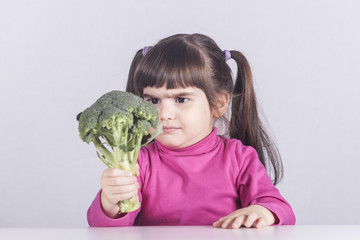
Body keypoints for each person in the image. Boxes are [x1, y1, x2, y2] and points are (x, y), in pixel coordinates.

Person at [87, 33, 296, 228]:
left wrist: (263, 211)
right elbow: (105, 229)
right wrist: (111, 201)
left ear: (219, 103)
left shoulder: (239, 158)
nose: (164, 113)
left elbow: (280, 209)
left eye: (181, 99)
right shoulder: (137, 160)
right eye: (153, 100)